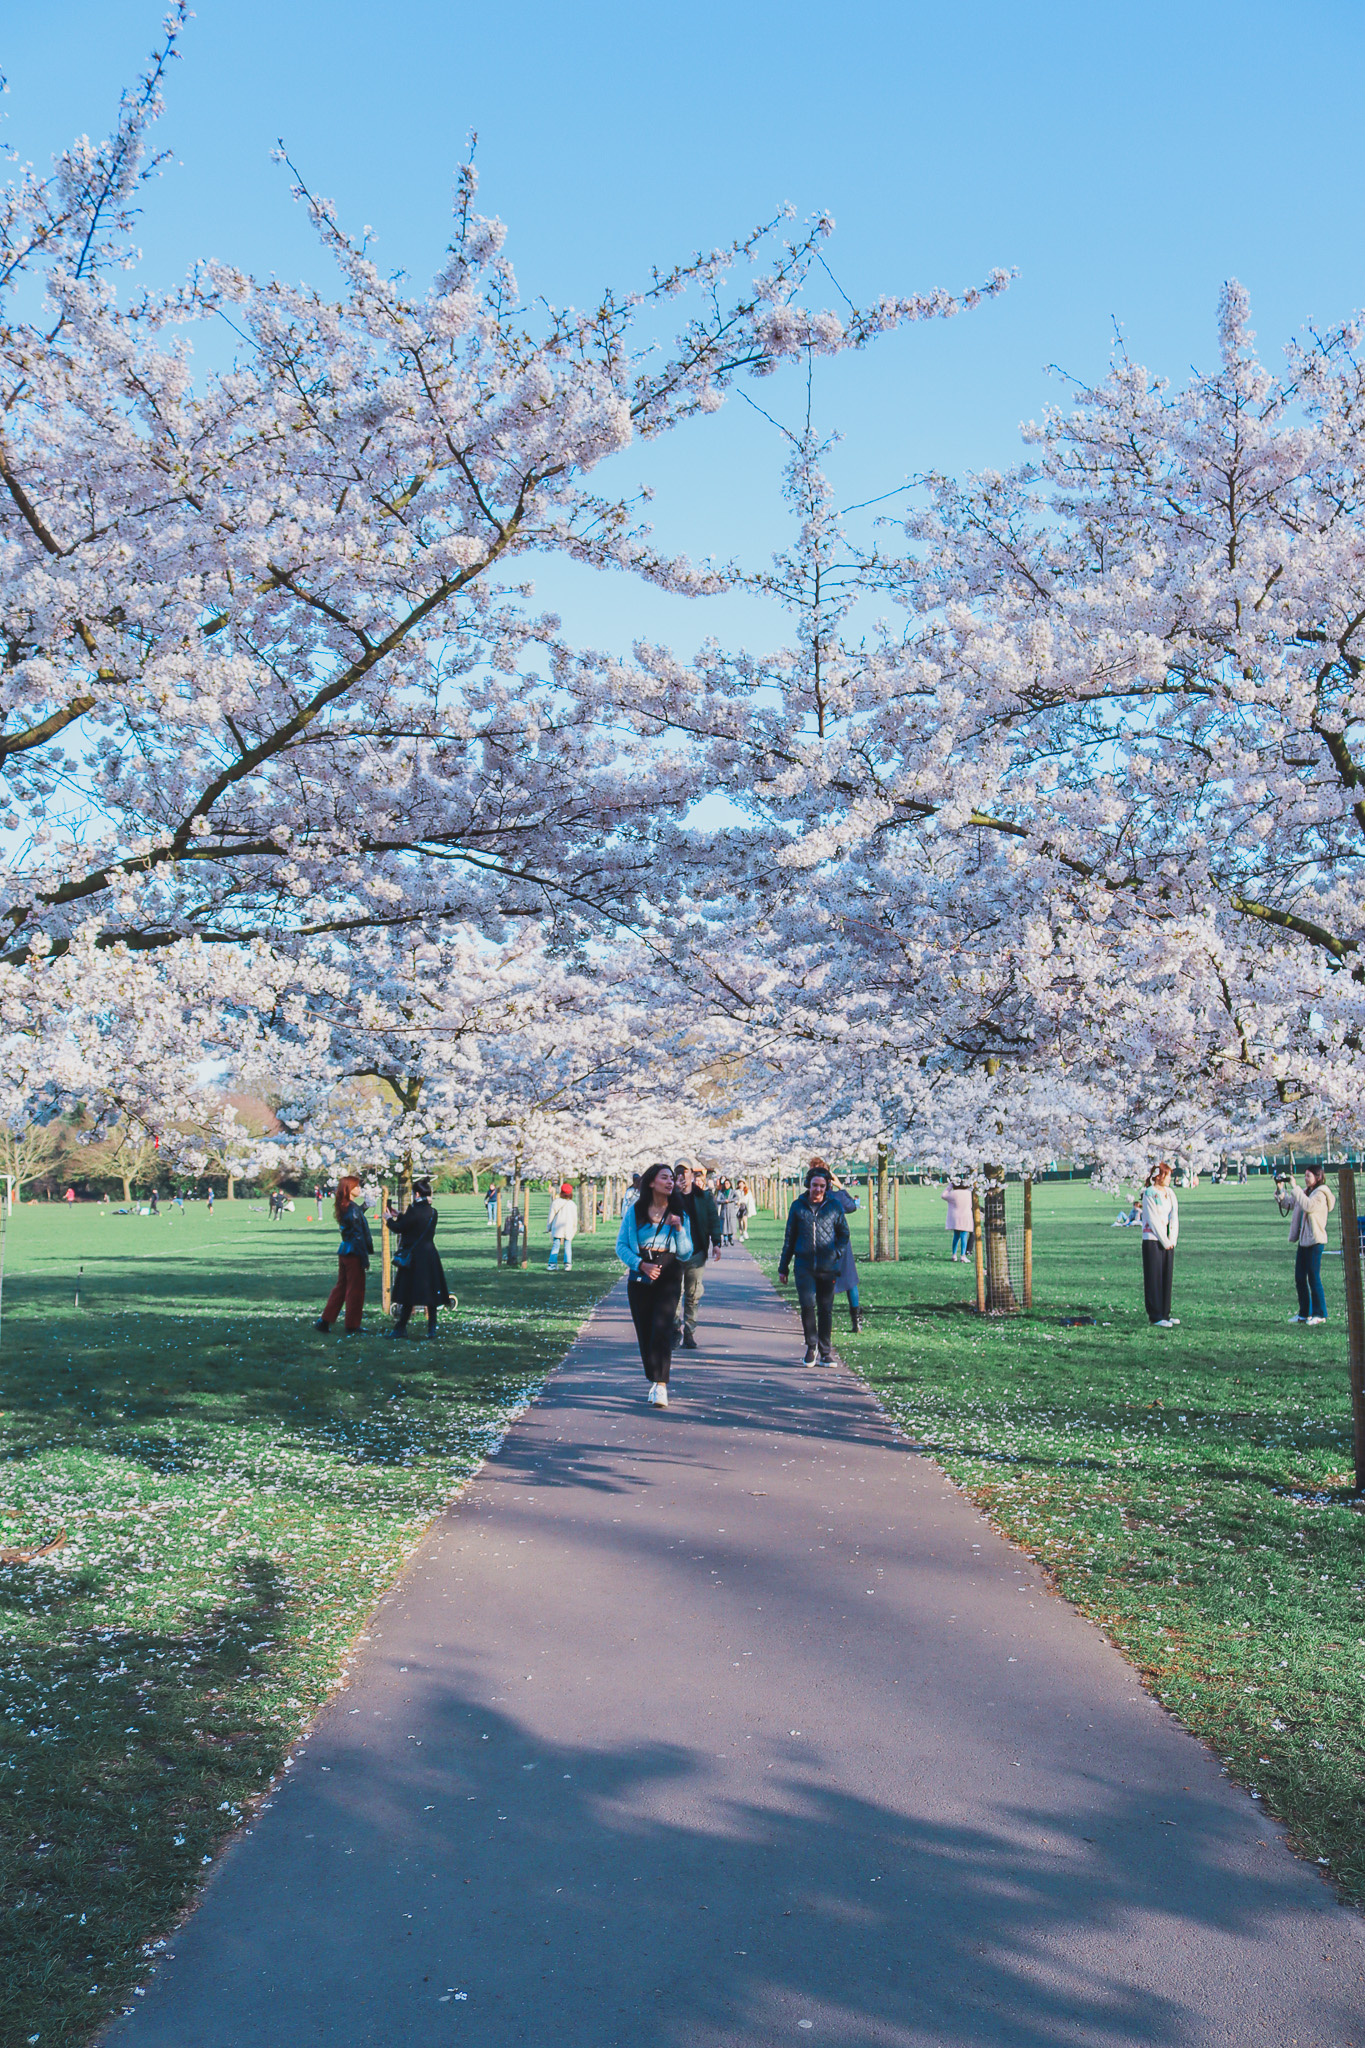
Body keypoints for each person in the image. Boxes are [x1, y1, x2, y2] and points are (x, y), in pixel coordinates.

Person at [616, 1163, 692, 1406]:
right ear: (651, 1182)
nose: (670, 1182)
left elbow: (686, 1253)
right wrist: (640, 1264)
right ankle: (653, 1377)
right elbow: (621, 1246)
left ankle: (661, 1385)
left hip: (669, 1271)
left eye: (672, 1178)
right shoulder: (635, 1212)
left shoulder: (680, 1212)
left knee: (661, 1326)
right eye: (664, 1178)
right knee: (646, 1330)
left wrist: (679, 1228)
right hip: (641, 1273)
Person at [778, 1165, 851, 1365]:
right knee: (807, 1305)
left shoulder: (834, 1207)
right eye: (814, 1185)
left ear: (827, 1187)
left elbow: (844, 1233)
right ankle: (811, 1347)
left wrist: (836, 1252)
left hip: (828, 1267)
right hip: (804, 1266)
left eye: (822, 1186)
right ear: (808, 1186)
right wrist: (783, 1267)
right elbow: (789, 1238)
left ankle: (825, 1351)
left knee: (825, 1309)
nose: (818, 1190)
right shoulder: (797, 1206)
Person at [384, 1178, 451, 1337]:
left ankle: (401, 1327)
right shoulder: (433, 1212)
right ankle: (432, 1329)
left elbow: (401, 1228)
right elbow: (415, 1226)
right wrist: (400, 1215)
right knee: (431, 1293)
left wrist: (388, 1219)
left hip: (414, 1258)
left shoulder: (413, 1211)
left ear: (417, 1193)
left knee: (409, 1293)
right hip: (429, 1255)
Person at [314, 1175, 374, 1335]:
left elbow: (352, 1220)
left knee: (341, 1287)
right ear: (349, 1189)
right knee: (356, 1290)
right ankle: (352, 1325)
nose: (359, 1189)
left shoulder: (345, 1206)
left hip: (345, 1250)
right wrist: (364, 1258)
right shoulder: (352, 1208)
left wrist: (364, 1207)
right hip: (354, 1252)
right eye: (356, 1187)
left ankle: (324, 1320)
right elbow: (358, 1235)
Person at [671, 1161, 722, 1349]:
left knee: (693, 1294)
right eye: (678, 1173)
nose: (682, 1176)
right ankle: (675, 1329)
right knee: (675, 1293)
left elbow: (713, 1220)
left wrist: (716, 1243)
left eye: (685, 1172)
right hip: (674, 1255)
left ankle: (690, 1332)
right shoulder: (669, 1196)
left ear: (692, 1174)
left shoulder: (704, 1197)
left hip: (697, 1252)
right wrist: (673, 1193)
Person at [1284, 1167, 1335, 1325]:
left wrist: (1295, 1187)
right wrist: (1280, 1191)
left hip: (1315, 1240)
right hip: (1303, 1240)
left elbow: (1309, 1206)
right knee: (1300, 1277)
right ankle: (1304, 1313)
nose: (1305, 1178)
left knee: (1313, 1277)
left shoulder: (1320, 1194)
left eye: (1308, 1176)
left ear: (1318, 1176)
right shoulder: (1305, 1192)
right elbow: (1290, 1204)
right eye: (1305, 1175)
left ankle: (1320, 1314)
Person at [816, 1160, 862, 1333]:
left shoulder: (813, 1197)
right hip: (841, 1243)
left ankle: (825, 1321)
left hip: (822, 1243)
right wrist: (841, 1187)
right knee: (850, 1281)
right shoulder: (837, 1197)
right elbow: (852, 1206)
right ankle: (856, 1321)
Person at [1141, 1163, 1179, 1328]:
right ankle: (1155, 1315)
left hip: (1168, 1241)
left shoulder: (1170, 1193)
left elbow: (1174, 1216)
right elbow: (1152, 1218)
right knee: (1154, 1277)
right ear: (1159, 1176)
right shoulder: (1149, 1193)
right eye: (1167, 1175)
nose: (1170, 1178)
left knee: (1166, 1276)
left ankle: (1165, 1312)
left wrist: (1172, 1239)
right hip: (1153, 1239)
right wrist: (1164, 1239)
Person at [547, 1182, 577, 1270]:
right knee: (568, 1245)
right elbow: (575, 1218)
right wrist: (574, 1229)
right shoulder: (572, 1204)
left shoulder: (556, 1202)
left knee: (556, 1245)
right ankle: (568, 1264)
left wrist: (549, 1227)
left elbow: (551, 1216)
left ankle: (552, 1264)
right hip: (568, 1228)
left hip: (557, 1227)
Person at [943, 1180, 974, 1260]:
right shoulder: (969, 1193)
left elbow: (943, 1195)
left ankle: (954, 1255)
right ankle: (963, 1255)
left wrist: (950, 1186)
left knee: (956, 1236)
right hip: (965, 1215)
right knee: (964, 1235)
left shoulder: (953, 1193)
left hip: (955, 1216)